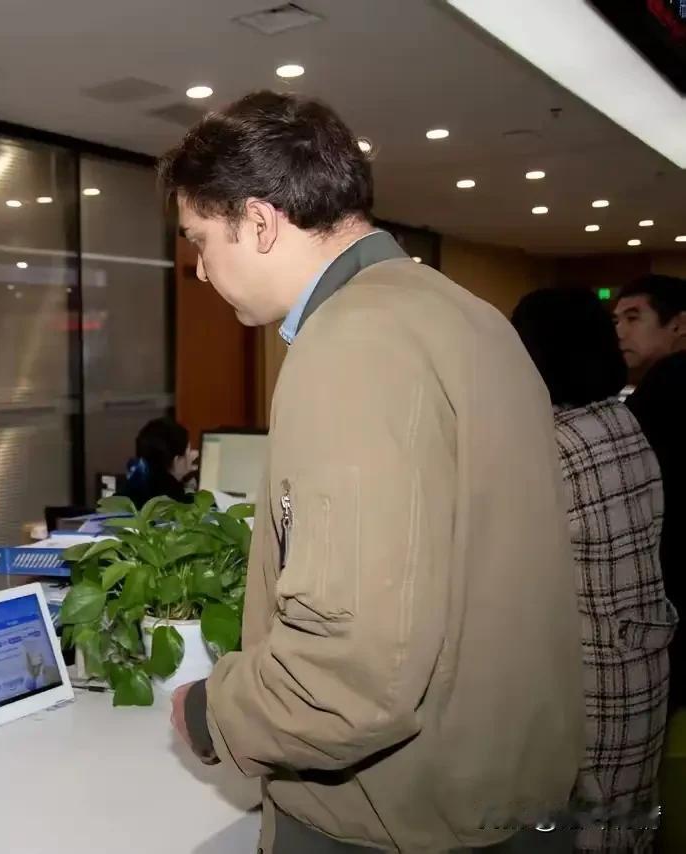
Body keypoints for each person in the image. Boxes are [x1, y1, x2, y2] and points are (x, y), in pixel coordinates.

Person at [160, 91, 584, 854]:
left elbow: (354, 673)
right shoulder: (470, 316)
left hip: (400, 822)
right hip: (501, 799)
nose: (197, 270)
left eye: (198, 240)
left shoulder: (352, 345)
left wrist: (209, 711)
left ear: (258, 222)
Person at [513, 287, 675, 853]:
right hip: (642, 657)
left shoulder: (554, 443)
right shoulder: (620, 419)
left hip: (593, 673)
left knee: (593, 834)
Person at [615, 275, 686, 713]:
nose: (620, 330)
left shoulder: (670, 383)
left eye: (634, 317)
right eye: (617, 319)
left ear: (678, 324)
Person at [117, 416, 198, 510]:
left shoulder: (126, 494)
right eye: (188, 451)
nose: (192, 454)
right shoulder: (178, 504)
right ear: (176, 460)